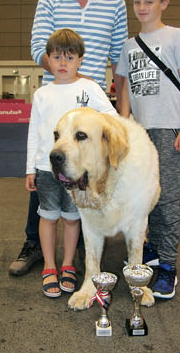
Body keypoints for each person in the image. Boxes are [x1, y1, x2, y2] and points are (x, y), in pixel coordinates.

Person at [10, 0, 128, 277]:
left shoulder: (116, 5)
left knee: (88, 178)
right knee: (47, 172)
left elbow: (118, 62)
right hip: (57, 105)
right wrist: (65, 76)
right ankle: (34, 242)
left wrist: (121, 113)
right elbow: (37, 49)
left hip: (92, 109)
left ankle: (81, 251)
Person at [115, 0, 180, 300]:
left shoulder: (176, 36)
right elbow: (125, 91)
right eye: (137, 2)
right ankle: (151, 248)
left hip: (171, 129)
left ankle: (168, 268)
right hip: (141, 134)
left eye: (149, 2)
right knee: (143, 195)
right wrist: (123, 128)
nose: (142, 7)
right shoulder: (128, 46)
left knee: (169, 200)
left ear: (163, 3)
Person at [24, 29, 117, 298]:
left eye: (69, 57)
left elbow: (110, 117)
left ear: (80, 60)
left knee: (72, 218)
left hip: (78, 170)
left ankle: (68, 264)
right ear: (48, 60)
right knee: (48, 216)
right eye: (56, 57)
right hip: (45, 167)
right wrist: (30, 168)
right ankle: (49, 267)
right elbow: (35, 132)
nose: (63, 63)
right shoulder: (42, 94)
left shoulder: (89, 88)